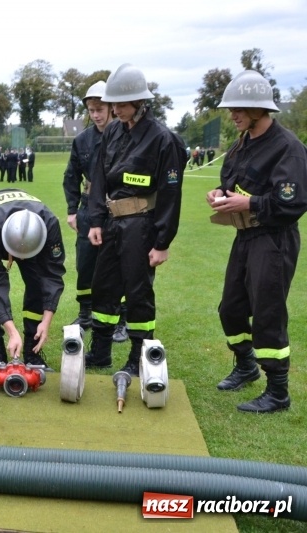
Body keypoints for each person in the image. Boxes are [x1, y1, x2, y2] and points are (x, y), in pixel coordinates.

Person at [206, 70, 307, 413]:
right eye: (231, 108)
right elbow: (230, 182)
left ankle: (278, 392)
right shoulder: (242, 143)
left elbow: (292, 204)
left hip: (274, 239)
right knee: (231, 308)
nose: (232, 114)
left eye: (238, 108)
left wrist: (248, 203)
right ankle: (246, 365)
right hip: (246, 236)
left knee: (268, 312)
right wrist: (219, 194)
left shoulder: (288, 148)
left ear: (259, 109)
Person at [85, 64, 186, 375]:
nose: (115, 110)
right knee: (103, 286)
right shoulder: (113, 131)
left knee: (138, 291)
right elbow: (99, 177)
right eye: (113, 104)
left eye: (121, 104)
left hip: (141, 225)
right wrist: (96, 221)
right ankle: (100, 351)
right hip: (111, 223)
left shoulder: (162, 139)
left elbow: (170, 194)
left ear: (140, 102)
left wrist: (162, 242)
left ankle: (138, 355)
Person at [0, 189, 65, 368]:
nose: (21, 259)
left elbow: (52, 275)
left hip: (31, 237)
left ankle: (32, 350)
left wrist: (46, 321)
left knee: (38, 283)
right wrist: (12, 332)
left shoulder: (49, 223)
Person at [62, 81, 111, 331]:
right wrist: (72, 210)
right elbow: (71, 176)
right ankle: (85, 313)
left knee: (117, 264)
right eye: (92, 110)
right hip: (87, 208)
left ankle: (120, 316)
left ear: (111, 108)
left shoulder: (124, 136)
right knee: (85, 263)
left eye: (100, 109)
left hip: (116, 208)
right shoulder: (82, 140)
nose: (96, 115)